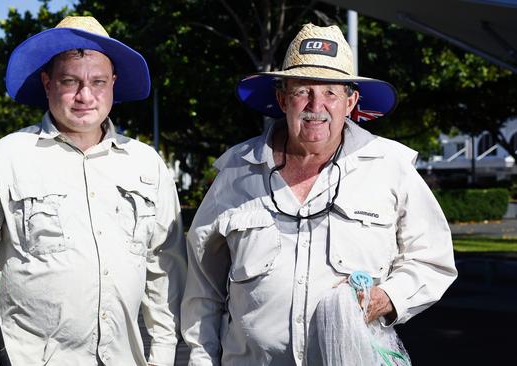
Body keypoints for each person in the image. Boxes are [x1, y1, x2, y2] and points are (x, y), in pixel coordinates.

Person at [181, 23, 457, 365]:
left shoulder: (390, 166)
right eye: (303, 91)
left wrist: (386, 298)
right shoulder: (236, 171)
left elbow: (433, 259)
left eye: (330, 92)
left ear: (351, 100)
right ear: (282, 99)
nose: (316, 105)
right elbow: (202, 290)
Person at [0, 16, 186, 365]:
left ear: (113, 83)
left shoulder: (148, 164)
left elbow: (164, 270)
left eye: (98, 81)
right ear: (47, 82)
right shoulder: (2, 159)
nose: (85, 95)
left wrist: (162, 355)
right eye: (70, 81)